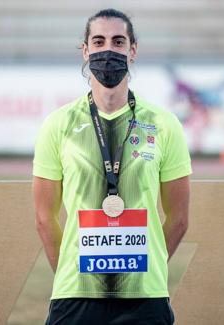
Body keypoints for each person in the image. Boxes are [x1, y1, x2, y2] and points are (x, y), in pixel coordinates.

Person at [32, 8, 191, 325]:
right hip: (74, 294)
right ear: (86, 50)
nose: (108, 50)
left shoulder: (163, 125)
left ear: (132, 50)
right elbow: (43, 218)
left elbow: (179, 218)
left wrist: (147, 265)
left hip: (145, 296)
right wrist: (72, 271)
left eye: (118, 42)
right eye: (99, 41)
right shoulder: (58, 125)